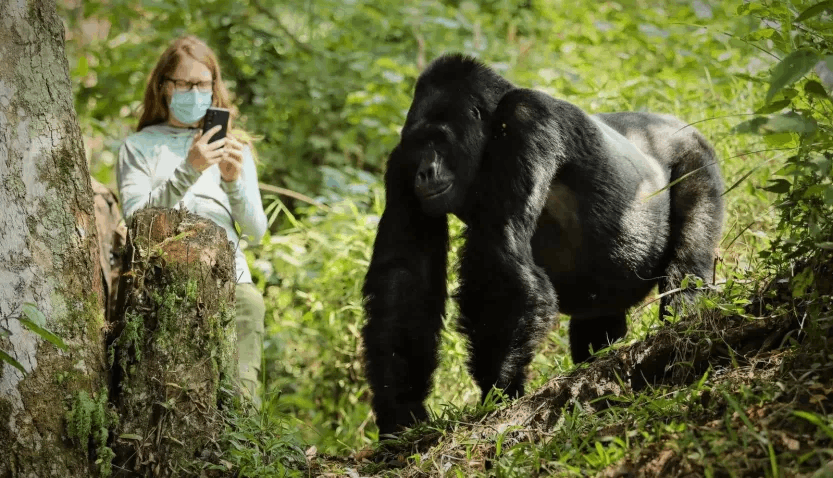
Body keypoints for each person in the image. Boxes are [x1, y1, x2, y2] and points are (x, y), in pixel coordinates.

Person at [117, 35, 268, 407]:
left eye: (203, 83)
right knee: (173, 406)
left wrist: (233, 181)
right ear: (164, 87)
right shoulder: (138, 147)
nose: (194, 91)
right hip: (161, 287)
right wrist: (190, 169)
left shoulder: (235, 147)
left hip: (234, 283)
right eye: (184, 83)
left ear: (214, 87)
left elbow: (257, 232)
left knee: (241, 398)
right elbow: (137, 218)